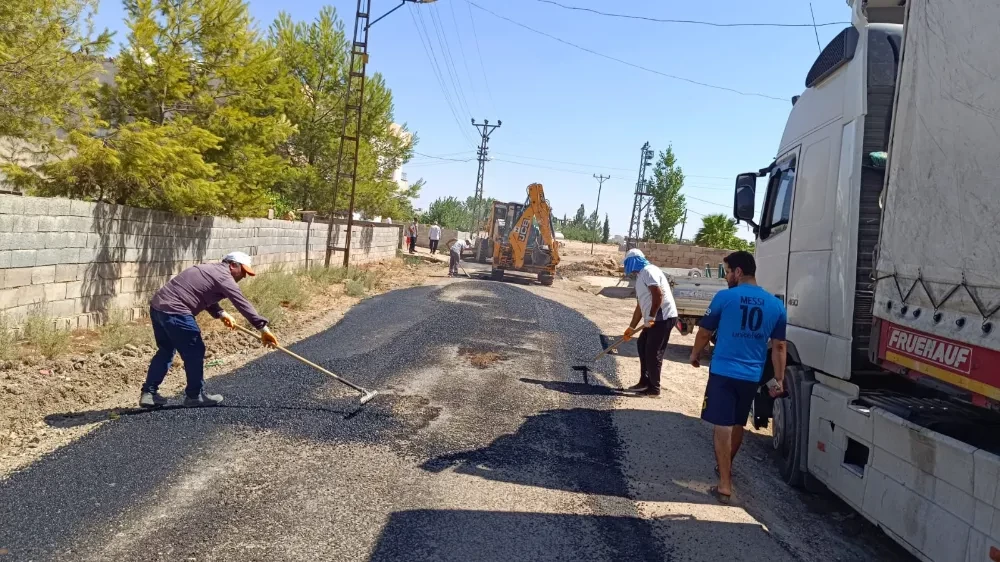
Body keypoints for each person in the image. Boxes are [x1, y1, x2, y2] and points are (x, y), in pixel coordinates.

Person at [689, 251, 787, 504]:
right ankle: (725, 467)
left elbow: (704, 331)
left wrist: (695, 355)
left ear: (739, 272)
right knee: (737, 423)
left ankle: (724, 483)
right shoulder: (776, 305)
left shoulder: (725, 298)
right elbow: (778, 347)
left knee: (721, 424)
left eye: (727, 272)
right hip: (752, 375)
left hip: (723, 372)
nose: (726, 277)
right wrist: (779, 379)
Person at [139, 252, 278, 409]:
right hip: (177, 311)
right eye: (244, 272)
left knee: (165, 351)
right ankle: (194, 396)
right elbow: (242, 304)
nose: (244, 277)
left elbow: (201, 293)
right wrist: (263, 329)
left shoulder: (209, 269)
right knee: (195, 351)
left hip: (158, 309)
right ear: (233, 265)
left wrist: (221, 313)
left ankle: (148, 394)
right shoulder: (224, 277)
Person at [621, 249, 679, 397]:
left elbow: (658, 295)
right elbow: (640, 305)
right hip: (654, 319)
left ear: (634, 261)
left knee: (653, 352)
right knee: (642, 344)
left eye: (628, 263)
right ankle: (644, 382)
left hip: (663, 318)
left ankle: (654, 388)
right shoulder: (641, 276)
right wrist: (631, 327)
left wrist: (651, 317)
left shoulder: (648, 271)